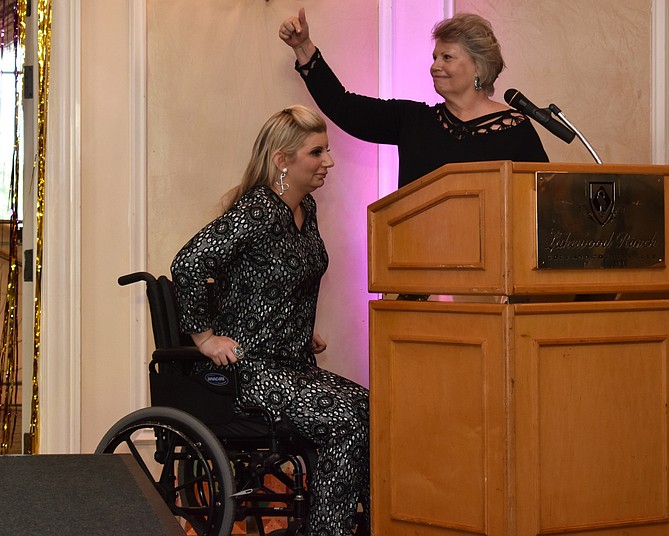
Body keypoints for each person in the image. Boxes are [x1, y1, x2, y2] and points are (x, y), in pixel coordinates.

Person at [171, 105, 369, 535]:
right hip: (249, 369)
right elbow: (188, 263)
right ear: (282, 160)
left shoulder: (306, 209)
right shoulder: (257, 211)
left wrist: (298, 324)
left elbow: (279, 278)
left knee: (371, 408)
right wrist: (205, 339)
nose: (328, 162)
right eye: (317, 152)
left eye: (327, 151)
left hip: (291, 362)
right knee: (346, 421)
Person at [279, 8, 549, 188]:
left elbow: (542, 203)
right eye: (434, 57)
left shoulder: (516, 129)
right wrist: (303, 48)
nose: (435, 66)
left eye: (447, 57)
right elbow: (344, 106)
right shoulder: (413, 120)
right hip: (417, 265)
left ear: (478, 66)